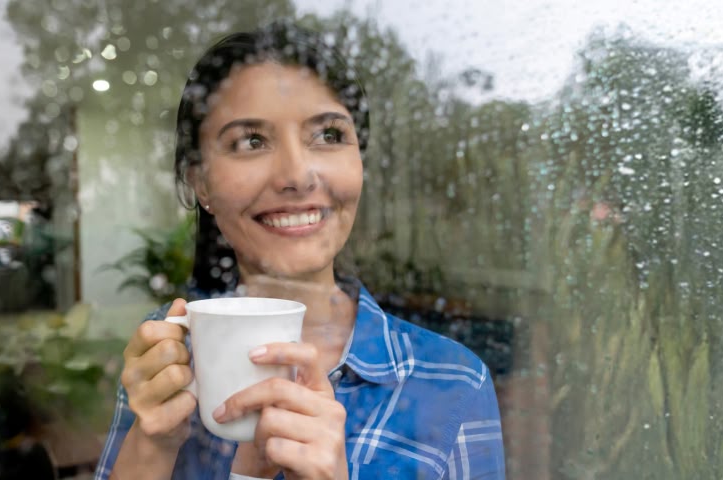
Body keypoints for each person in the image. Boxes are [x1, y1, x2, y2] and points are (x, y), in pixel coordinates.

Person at [96, 21, 505, 479]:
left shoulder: (452, 382)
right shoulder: (165, 353)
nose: (296, 174)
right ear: (200, 183)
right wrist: (152, 444)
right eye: (251, 141)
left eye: (328, 135)